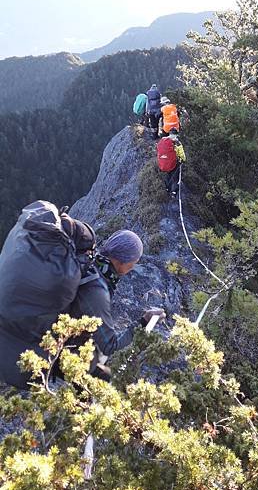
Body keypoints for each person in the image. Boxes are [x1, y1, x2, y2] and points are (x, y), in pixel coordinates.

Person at [0, 217, 165, 387]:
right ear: (121, 261)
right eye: (133, 263)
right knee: (116, 385)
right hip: (65, 357)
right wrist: (144, 322)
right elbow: (110, 346)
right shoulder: (96, 288)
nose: (132, 267)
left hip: (49, 338)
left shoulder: (85, 264)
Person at [157, 128, 186, 199]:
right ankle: (174, 192)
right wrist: (183, 160)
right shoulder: (176, 142)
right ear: (176, 135)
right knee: (175, 176)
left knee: (168, 174)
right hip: (172, 164)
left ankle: (167, 188)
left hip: (162, 164)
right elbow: (181, 153)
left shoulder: (162, 140)